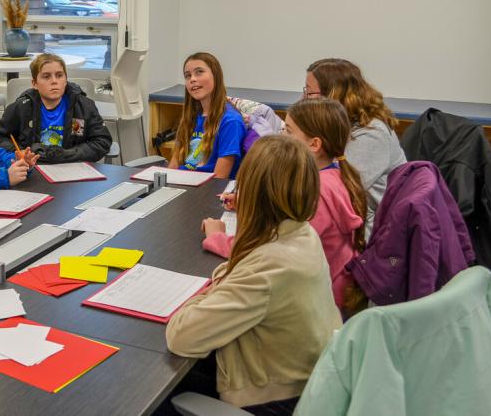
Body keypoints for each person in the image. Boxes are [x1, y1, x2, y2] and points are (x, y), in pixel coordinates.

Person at [166, 136, 342, 415]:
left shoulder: (269, 269)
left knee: (155, 389)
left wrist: (211, 288)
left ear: (250, 193)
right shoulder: (302, 232)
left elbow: (181, 336)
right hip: (309, 380)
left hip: (273, 398)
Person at [206, 98, 367, 318]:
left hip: (320, 303)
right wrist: (248, 203)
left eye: (288, 131)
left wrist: (218, 237)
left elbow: (269, 251)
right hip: (334, 287)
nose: (281, 136)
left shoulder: (317, 191)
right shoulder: (334, 174)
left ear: (314, 145)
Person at [304, 58, 406, 235]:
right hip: (345, 215)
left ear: (333, 95)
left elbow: (341, 191)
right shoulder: (340, 126)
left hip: (371, 228)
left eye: (309, 93)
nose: (303, 99)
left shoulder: (372, 134)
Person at [0, 53, 112, 163]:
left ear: (65, 80)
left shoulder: (84, 106)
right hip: (33, 169)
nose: (54, 81)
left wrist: (66, 154)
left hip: (72, 167)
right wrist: (19, 152)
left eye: (59, 75)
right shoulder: (21, 107)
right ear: (34, 84)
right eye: (46, 76)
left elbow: (102, 141)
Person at [167, 52, 246, 179]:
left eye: (199, 72)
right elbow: (174, 165)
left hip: (207, 191)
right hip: (181, 184)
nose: (192, 79)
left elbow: (219, 179)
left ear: (216, 76)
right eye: (187, 76)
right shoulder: (190, 117)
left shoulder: (230, 121)